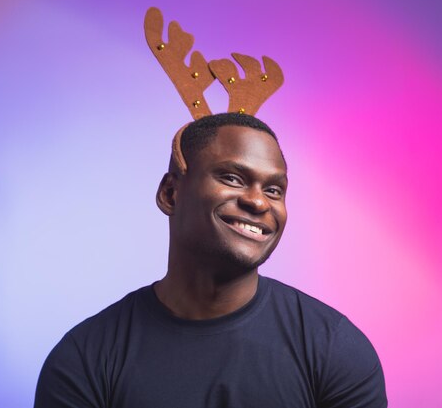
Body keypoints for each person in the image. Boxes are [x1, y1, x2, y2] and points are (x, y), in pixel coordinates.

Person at [34, 112, 388, 407]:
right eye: (233, 178)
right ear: (171, 193)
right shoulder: (85, 358)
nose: (259, 202)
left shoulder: (335, 348)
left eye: (274, 190)